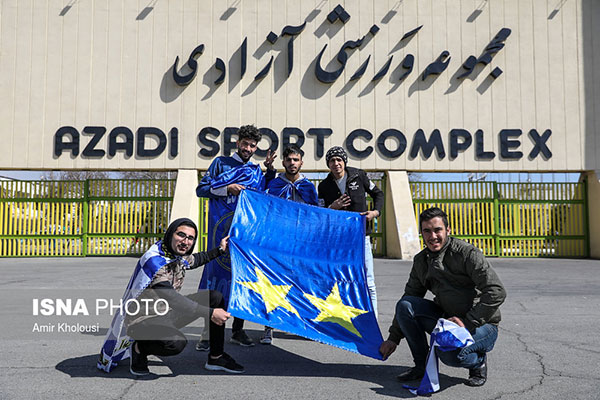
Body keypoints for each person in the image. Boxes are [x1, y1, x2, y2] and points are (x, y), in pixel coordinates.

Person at [379, 207, 506, 387]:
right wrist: (393, 338)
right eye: (427, 231)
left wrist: (468, 322)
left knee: (450, 355)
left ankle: (478, 362)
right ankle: (421, 366)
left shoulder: (467, 254)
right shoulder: (421, 261)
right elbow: (410, 296)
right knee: (405, 305)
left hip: (481, 324)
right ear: (422, 233)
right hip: (447, 321)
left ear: (448, 230)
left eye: (437, 230)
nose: (433, 236)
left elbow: (496, 290)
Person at [103, 218, 243, 376]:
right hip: (142, 322)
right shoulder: (155, 262)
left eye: (190, 238)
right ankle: (139, 348)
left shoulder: (176, 254)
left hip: (165, 313)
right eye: (181, 235)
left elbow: (196, 260)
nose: (186, 241)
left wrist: (220, 250)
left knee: (214, 297)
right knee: (175, 344)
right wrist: (211, 313)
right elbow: (173, 299)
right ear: (170, 234)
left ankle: (216, 357)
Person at [195, 125, 276, 350]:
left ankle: (238, 331)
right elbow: (200, 189)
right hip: (219, 232)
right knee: (215, 279)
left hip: (244, 235)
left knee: (242, 280)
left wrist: (269, 171)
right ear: (237, 143)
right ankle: (207, 333)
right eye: (245, 144)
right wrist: (227, 188)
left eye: (252, 145)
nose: (248, 148)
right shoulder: (220, 163)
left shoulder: (255, 170)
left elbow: (264, 193)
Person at [256, 145, 318, 345]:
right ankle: (269, 326)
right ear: (283, 162)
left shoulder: (308, 187)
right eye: (289, 159)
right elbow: (264, 205)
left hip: (300, 244)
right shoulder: (274, 184)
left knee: (301, 284)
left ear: (301, 162)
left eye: (296, 160)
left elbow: (314, 214)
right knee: (274, 283)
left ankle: (301, 324)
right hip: (278, 242)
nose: (292, 163)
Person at [317, 146, 383, 316]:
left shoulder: (358, 176)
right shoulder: (324, 186)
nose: (336, 163)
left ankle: (373, 320)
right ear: (328, 164)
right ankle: (344, 319)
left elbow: (378, 194)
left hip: (361, 238)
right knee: (341, 281)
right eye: (332, 160)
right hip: (339, 241)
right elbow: (322, 214)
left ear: (344, 162)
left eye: (339, 159)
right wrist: (334, 207)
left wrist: (375, 212)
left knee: (368, 281)